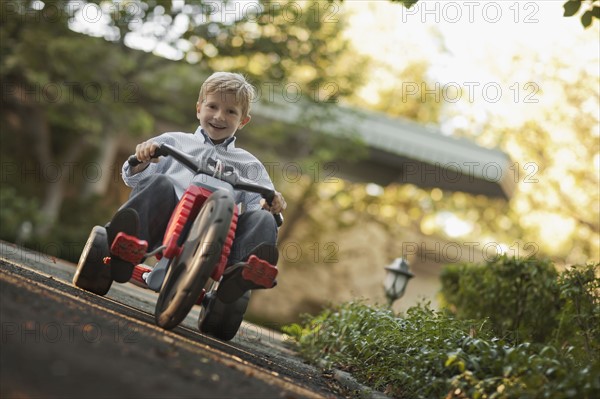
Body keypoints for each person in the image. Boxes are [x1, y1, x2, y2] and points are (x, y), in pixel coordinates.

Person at [106, 71, 286, 303]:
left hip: (219, 239)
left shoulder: (249, 165)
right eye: (212, 107)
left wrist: (271, 205)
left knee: (264, 219)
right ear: (199, 108)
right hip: (165, 223)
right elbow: (134, 179)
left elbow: (258, 205)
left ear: (243, 121)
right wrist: (142, 159)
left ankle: (238, 275)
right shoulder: (173, 143)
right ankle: (129, 243)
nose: (219, 116)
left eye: (231, 111)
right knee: (159, 182)